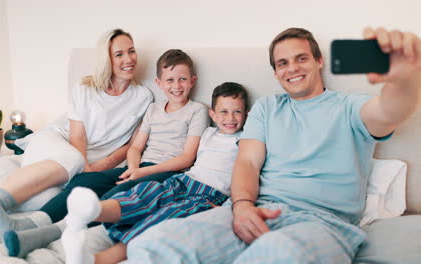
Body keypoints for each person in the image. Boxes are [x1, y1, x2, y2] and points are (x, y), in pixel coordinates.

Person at [118, 27, 421, 263]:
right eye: (282, 63)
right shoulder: (266, 108)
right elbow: (247, 162)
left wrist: (404, 80)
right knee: (153, 244)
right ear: (275, 72)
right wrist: (242, 206)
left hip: (323, 223)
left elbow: (389, 111)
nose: (292, 68)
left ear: (318, 61)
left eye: (301, 58)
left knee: (277, 254)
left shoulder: (349, 106)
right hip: (253, 210)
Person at [0, 49, 210, 245]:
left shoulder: (196, 110)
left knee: (113, 196)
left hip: (167, 172)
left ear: (192, 81)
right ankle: (31, 223)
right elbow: (135, 147)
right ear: (159, 83)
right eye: (170, 80)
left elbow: (187, 158)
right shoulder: (153, 109)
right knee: (84, 182)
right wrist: (132, 169)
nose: (176, 85)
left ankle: (47, 234)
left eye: (182, 79)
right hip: (139, 167)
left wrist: (141, 173)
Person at [0, 28, 153, 243]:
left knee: (48, 199)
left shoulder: (143, 97)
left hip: (88, 163)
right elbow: (78, 138)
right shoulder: (85, 88)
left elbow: (129, 146)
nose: (129, 59)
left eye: (131, 51)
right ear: (107, 59)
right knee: (73, 158)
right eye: (119, 54)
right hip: (58, 143)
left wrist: (94, 170)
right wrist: (85, 170)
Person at [61, 82, 249, 264]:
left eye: (237, 112)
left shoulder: (246, 140)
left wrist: (228, 207)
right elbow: (189, 156)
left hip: (210, 194)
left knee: (164, 216)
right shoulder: (208, 133)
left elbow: (247, 177)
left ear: (247, 114)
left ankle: (99, 260)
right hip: (185, 179)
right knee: (146, 192)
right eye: (224, 112)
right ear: (213, 115)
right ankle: (94, 211)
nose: (230, 118)